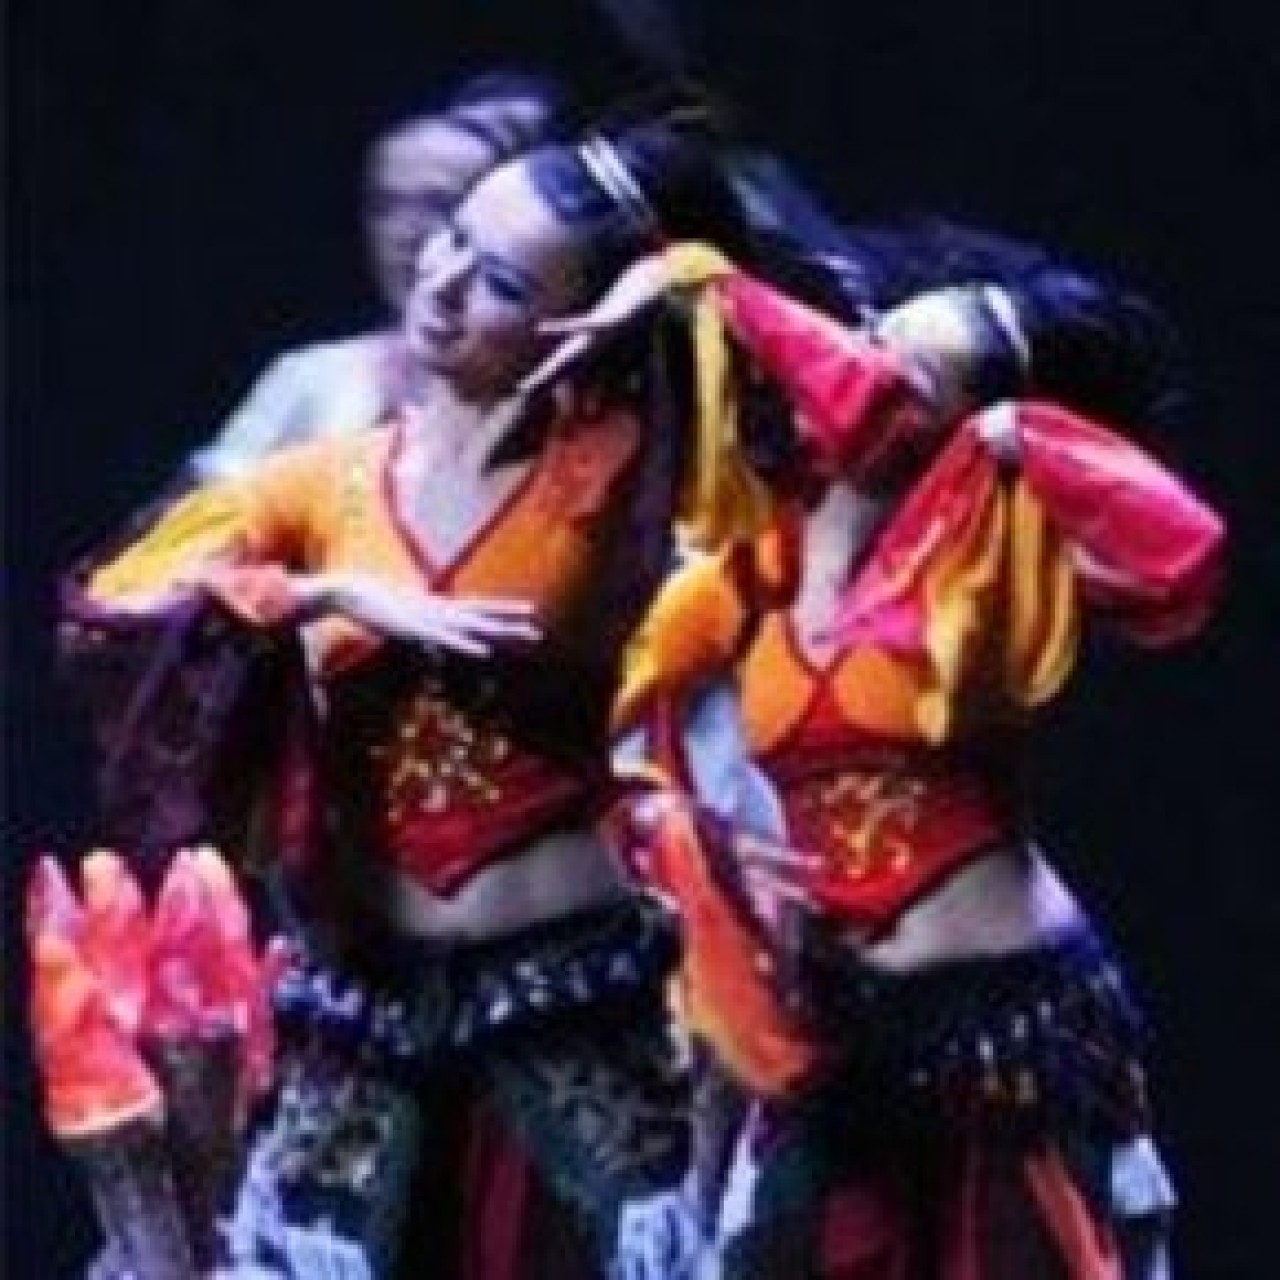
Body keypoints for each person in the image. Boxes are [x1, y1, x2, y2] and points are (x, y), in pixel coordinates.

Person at [57, 114, 776, 1280]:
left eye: (499, 281)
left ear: (582, 319)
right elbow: (120, 599)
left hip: (569, 1001)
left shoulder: (620, 476)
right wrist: (317, 592)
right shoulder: (328, 483)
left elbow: (792, 390)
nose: (439, 284)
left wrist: (676, 279)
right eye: (450, 238)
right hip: (364, 1013)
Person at [585, 236, 1223, 1277]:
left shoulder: (991, 558)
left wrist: (1023, 436)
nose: (861, 376)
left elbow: (1178, 556)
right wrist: (687, 840)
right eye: (869, 344)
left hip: (1003, 1016)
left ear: (954, 427)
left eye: (910, 380)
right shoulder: (756, 562)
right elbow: (600, 733)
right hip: (834, 1029)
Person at [188, 72, 565, 482]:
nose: (405, 231)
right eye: (387, 205)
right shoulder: (314, 376)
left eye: (438, 204)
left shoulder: (560, 397)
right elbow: (202, 503)